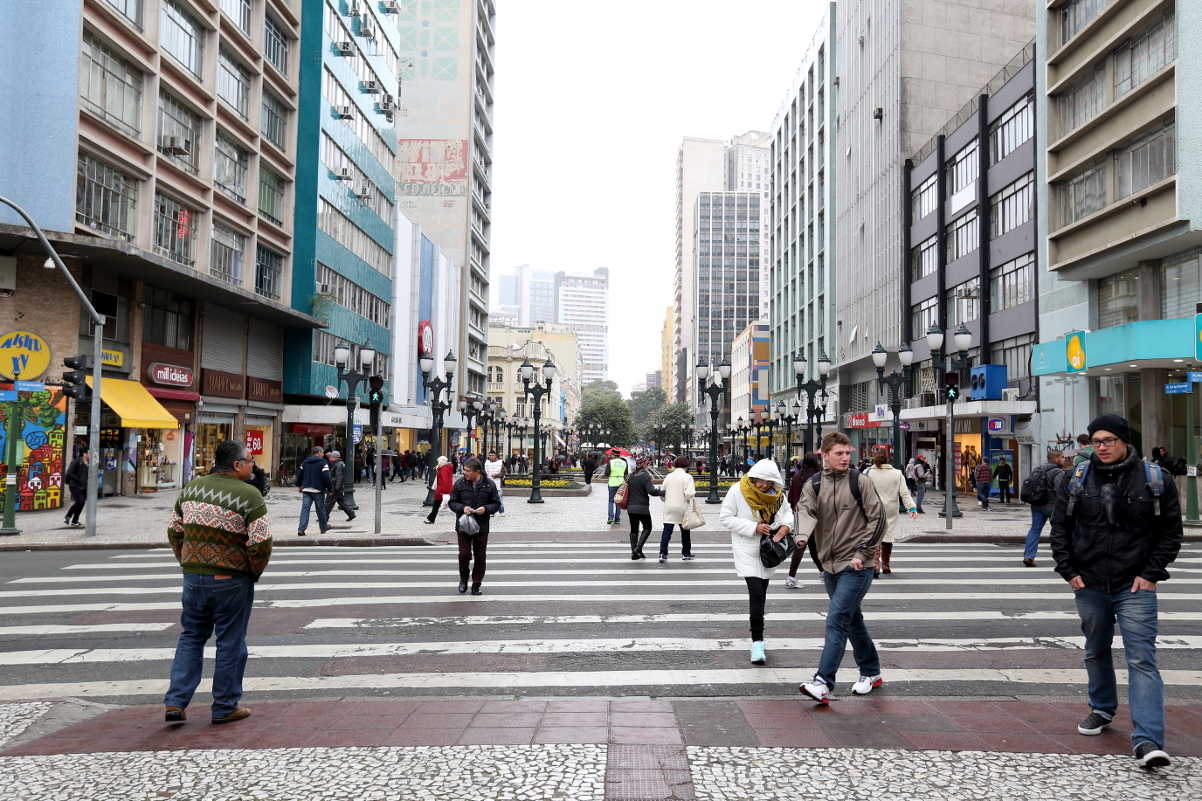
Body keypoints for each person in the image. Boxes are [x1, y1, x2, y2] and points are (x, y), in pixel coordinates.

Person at [1051, 414, 1182, 769]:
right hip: (1089, 581)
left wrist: (1152, 573)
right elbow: (1059, 526)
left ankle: (1147, 741)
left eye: (1109, 440)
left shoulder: (1155, 478)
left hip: (1135, 582)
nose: (1102, 447)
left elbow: (1171, 531)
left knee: (1141, 659)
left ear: (1125, 441)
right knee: (1095, 650)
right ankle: (1102, 708)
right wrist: (1068, 570)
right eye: (1096, 441)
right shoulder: (1075, 478)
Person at [164, 440, 271, 725]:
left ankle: (176, 701)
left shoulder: (191, 488)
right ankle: (224, 705)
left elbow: (175, 531)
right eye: (250, 461)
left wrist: (189, 564)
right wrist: (252, 572)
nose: (254, 466)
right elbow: (260, 543)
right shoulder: (249, 495)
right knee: (230, 642)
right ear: (236, 465)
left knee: (191, 637)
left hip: (192, 578)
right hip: (231, 579)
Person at [795, 431, 887, 703]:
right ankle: (871, 672)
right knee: (852, 620)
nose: (846, 458)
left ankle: (823, 682)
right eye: (839, 453)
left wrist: (863, 552)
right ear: (825, 455)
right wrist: (800, 536)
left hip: (857, 565)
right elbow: (804, 511)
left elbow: (878, 519)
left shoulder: (861, 482)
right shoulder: (814, 484)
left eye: (848, 453)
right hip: (829, 566)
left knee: (836, 620)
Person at [719, 459, 794, 665]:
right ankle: (757, 642)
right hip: (746, 548)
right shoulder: (737, 490)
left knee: (762, 591)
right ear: (753, 478)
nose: (763, 485)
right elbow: (725, 518)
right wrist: (754, 527)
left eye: (768, 482)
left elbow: (787, 512)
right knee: (757, 593)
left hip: (769, 551)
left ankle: (758, 635)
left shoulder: (778, 495)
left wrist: (785, 526)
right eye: (760, 481)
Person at [448, 457, 502, 595]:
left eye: (467, 471)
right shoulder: (460, 484)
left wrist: (486, 509)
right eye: (464, 470)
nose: (464, 473)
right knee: (464, 554)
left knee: (480, 556)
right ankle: (463, 579)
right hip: (463, 525)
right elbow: (452, 502)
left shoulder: (489, 485)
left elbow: (496, 504)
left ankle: (476, 584)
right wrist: (462, 508)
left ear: (477, 472)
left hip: (481, 526)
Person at [862, 451, 917, 577]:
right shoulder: (897, 474)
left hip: (872, 507)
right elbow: (904, 493)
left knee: (874, 534)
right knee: (888, 534)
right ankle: (886, 565)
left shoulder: (867, 473)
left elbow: (861, 492)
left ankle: (875, 564)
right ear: (887, 460)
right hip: (890, 508)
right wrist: (912, 508)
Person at [1022, 450, 1069, 567]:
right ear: (1055, 459)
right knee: (1060, 531)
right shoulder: (1057, 472)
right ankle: (1064, 558)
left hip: (1037, 505)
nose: (1064, 459)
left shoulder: (1037, 469)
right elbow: (1060, 491)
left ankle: (1028, 556)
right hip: (1053, 507)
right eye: (1062, 457)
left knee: (1035, 529)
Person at [784, 452, 823, 589]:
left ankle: (792, 576)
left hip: (800, 514)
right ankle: (823, 573)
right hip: (815, 514)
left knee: (805, 545)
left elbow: (790, 498)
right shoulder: (819, 478)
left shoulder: (796, 477)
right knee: (811, 546)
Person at [658, 455, 698, 563]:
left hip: (669, 506)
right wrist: (689, 498)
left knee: (667, 530)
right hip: (682, 506)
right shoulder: (687, 477)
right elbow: (690, 493)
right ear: (686, 465)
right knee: (685, 530)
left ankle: (663, 553)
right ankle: (686, 553)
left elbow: (662, 492)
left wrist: (666, 499)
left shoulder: (669, 476)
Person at [624, 456, 662, 560]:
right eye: (647, 464)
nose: (648, 466)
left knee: (634, 529)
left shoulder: (630, 476)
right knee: (647, 527)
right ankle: (638, 548)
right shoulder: (645, 476)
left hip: (631, 507)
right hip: (642, 507)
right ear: (644, 465)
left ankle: (634, 553)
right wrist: (662, 492)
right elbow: (651, 491)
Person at [296, 446, 332, 536]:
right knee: (320, 509)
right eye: (322, 452)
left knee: (305, 509)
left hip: (306, 488)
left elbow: (299, 474)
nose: (323, 454)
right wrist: (330, 489)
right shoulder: (323, 463)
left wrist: (299, 485)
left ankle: (301, 528)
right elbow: (327, 477)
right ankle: (323, 527)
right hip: (318, 489)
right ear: (319, 452)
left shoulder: (305, 462)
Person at [324, 451, 355, 522]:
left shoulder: (338, 465)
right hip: (337, 486)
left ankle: (324, 516)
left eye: (331, 456)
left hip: (335, 486)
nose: (330, 458)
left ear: (334, 457)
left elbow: (339, 477)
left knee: (328, 502)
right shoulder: (339, 464)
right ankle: (351, 513)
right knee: (341, 501)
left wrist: (336, 487)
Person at [424, 456, 454, 524]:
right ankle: (431, 518)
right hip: (444, 488)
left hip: (441, 489)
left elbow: (445, 480)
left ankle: (431, 519)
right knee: (437, 505)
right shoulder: (446, 468)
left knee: (436, 505)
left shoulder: (443, 469)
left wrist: (443, 491)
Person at [62, 450, 89, 527]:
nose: (91, 455)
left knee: (82, 502)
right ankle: (68, 516)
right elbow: (69, 473)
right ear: (84, 454)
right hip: (74, 485)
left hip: (83, 485)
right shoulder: (77, 462)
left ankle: (75, 520)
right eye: (89, 453)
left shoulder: (88, 463)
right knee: (79, 502)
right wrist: (78, 479)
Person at [603, 448, 628, 526]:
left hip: (612, 482)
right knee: (618, 500)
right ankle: (617, 519)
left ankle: (610, 518)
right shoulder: (624, 462)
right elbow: (626, 474)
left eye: (611, 455)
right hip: (621, 482)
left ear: (614, 455)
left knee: (611, 501)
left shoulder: (610, 462)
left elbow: (606, 473)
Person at [483, 450, 506, 517]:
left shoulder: (500, 463)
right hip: (489, 483)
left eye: (492, 455)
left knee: (499, 498)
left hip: (498, 483)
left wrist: (497, 475)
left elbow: (504, 472)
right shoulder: (486, 463)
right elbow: (484, 472)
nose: (491, 457)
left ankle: (501, 510)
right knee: (489, 498)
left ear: (495, 456)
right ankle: (492, 511)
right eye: (490, 455)